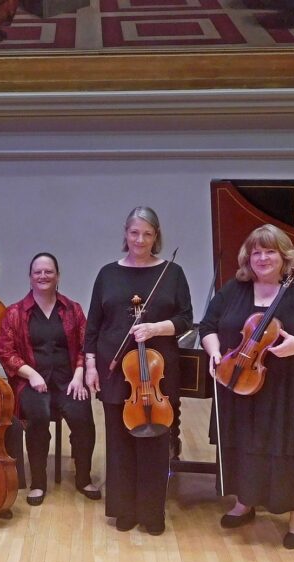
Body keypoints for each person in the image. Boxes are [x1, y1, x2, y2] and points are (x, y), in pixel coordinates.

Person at [199, 223, 294, 549]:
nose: (262, 258)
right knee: (242, 445)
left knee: (292, 449)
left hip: (290, 390)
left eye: (270, 252)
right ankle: (244, 502)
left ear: (284, 256)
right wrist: (215, 352)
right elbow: (208, 326)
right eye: (256, 252)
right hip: (240, 382)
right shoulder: (234, 289)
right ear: (247, 258)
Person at [84, 207, 192, 536]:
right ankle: (124, 510)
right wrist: (90, 364)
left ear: (156, 236)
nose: (140, 240)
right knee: (118, 441)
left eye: (147, 234)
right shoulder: (107, 274)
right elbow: (93, 324)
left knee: (155, 442)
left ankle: (151, 512)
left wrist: (155, 327)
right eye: (134, 233)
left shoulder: (172, 273)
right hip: (116, 369)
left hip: (157, 371)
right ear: (125, 233)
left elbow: (185, 320)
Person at [0, 252, 100, 506]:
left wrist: (79, 375)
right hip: (31, 383)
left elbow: (86, 344)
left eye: (48, 271)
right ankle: (38, 482)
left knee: (82, 416)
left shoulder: (73, 309)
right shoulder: (15, 312)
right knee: (38, 416)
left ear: (58, 276)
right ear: (30, 277)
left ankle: (83, 478)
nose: (43, 276)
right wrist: (31, 374)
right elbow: (5, 351)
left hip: (69, 380)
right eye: (38, 272)